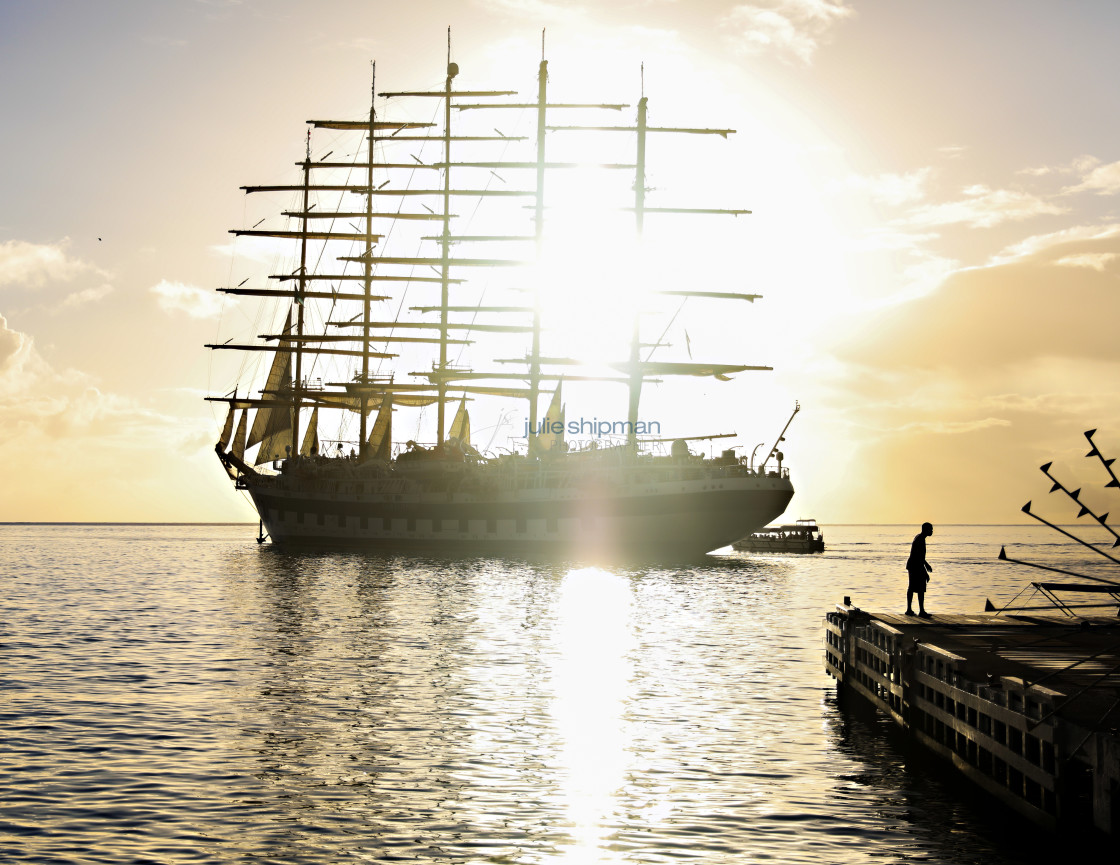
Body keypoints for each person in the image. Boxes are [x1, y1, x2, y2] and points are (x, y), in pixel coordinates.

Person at [906, 522, 934, 618]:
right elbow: (918, 557)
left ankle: (912, 610)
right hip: (915, 566)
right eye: (930, 529)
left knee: (914, 587)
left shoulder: (920, 538)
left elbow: (920, 556)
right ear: (925, 530)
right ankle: (918, 611)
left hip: (914, 565)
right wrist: (925, 572)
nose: (932, 531)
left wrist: (926, 565)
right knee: (918, 588)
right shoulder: (920, 540)